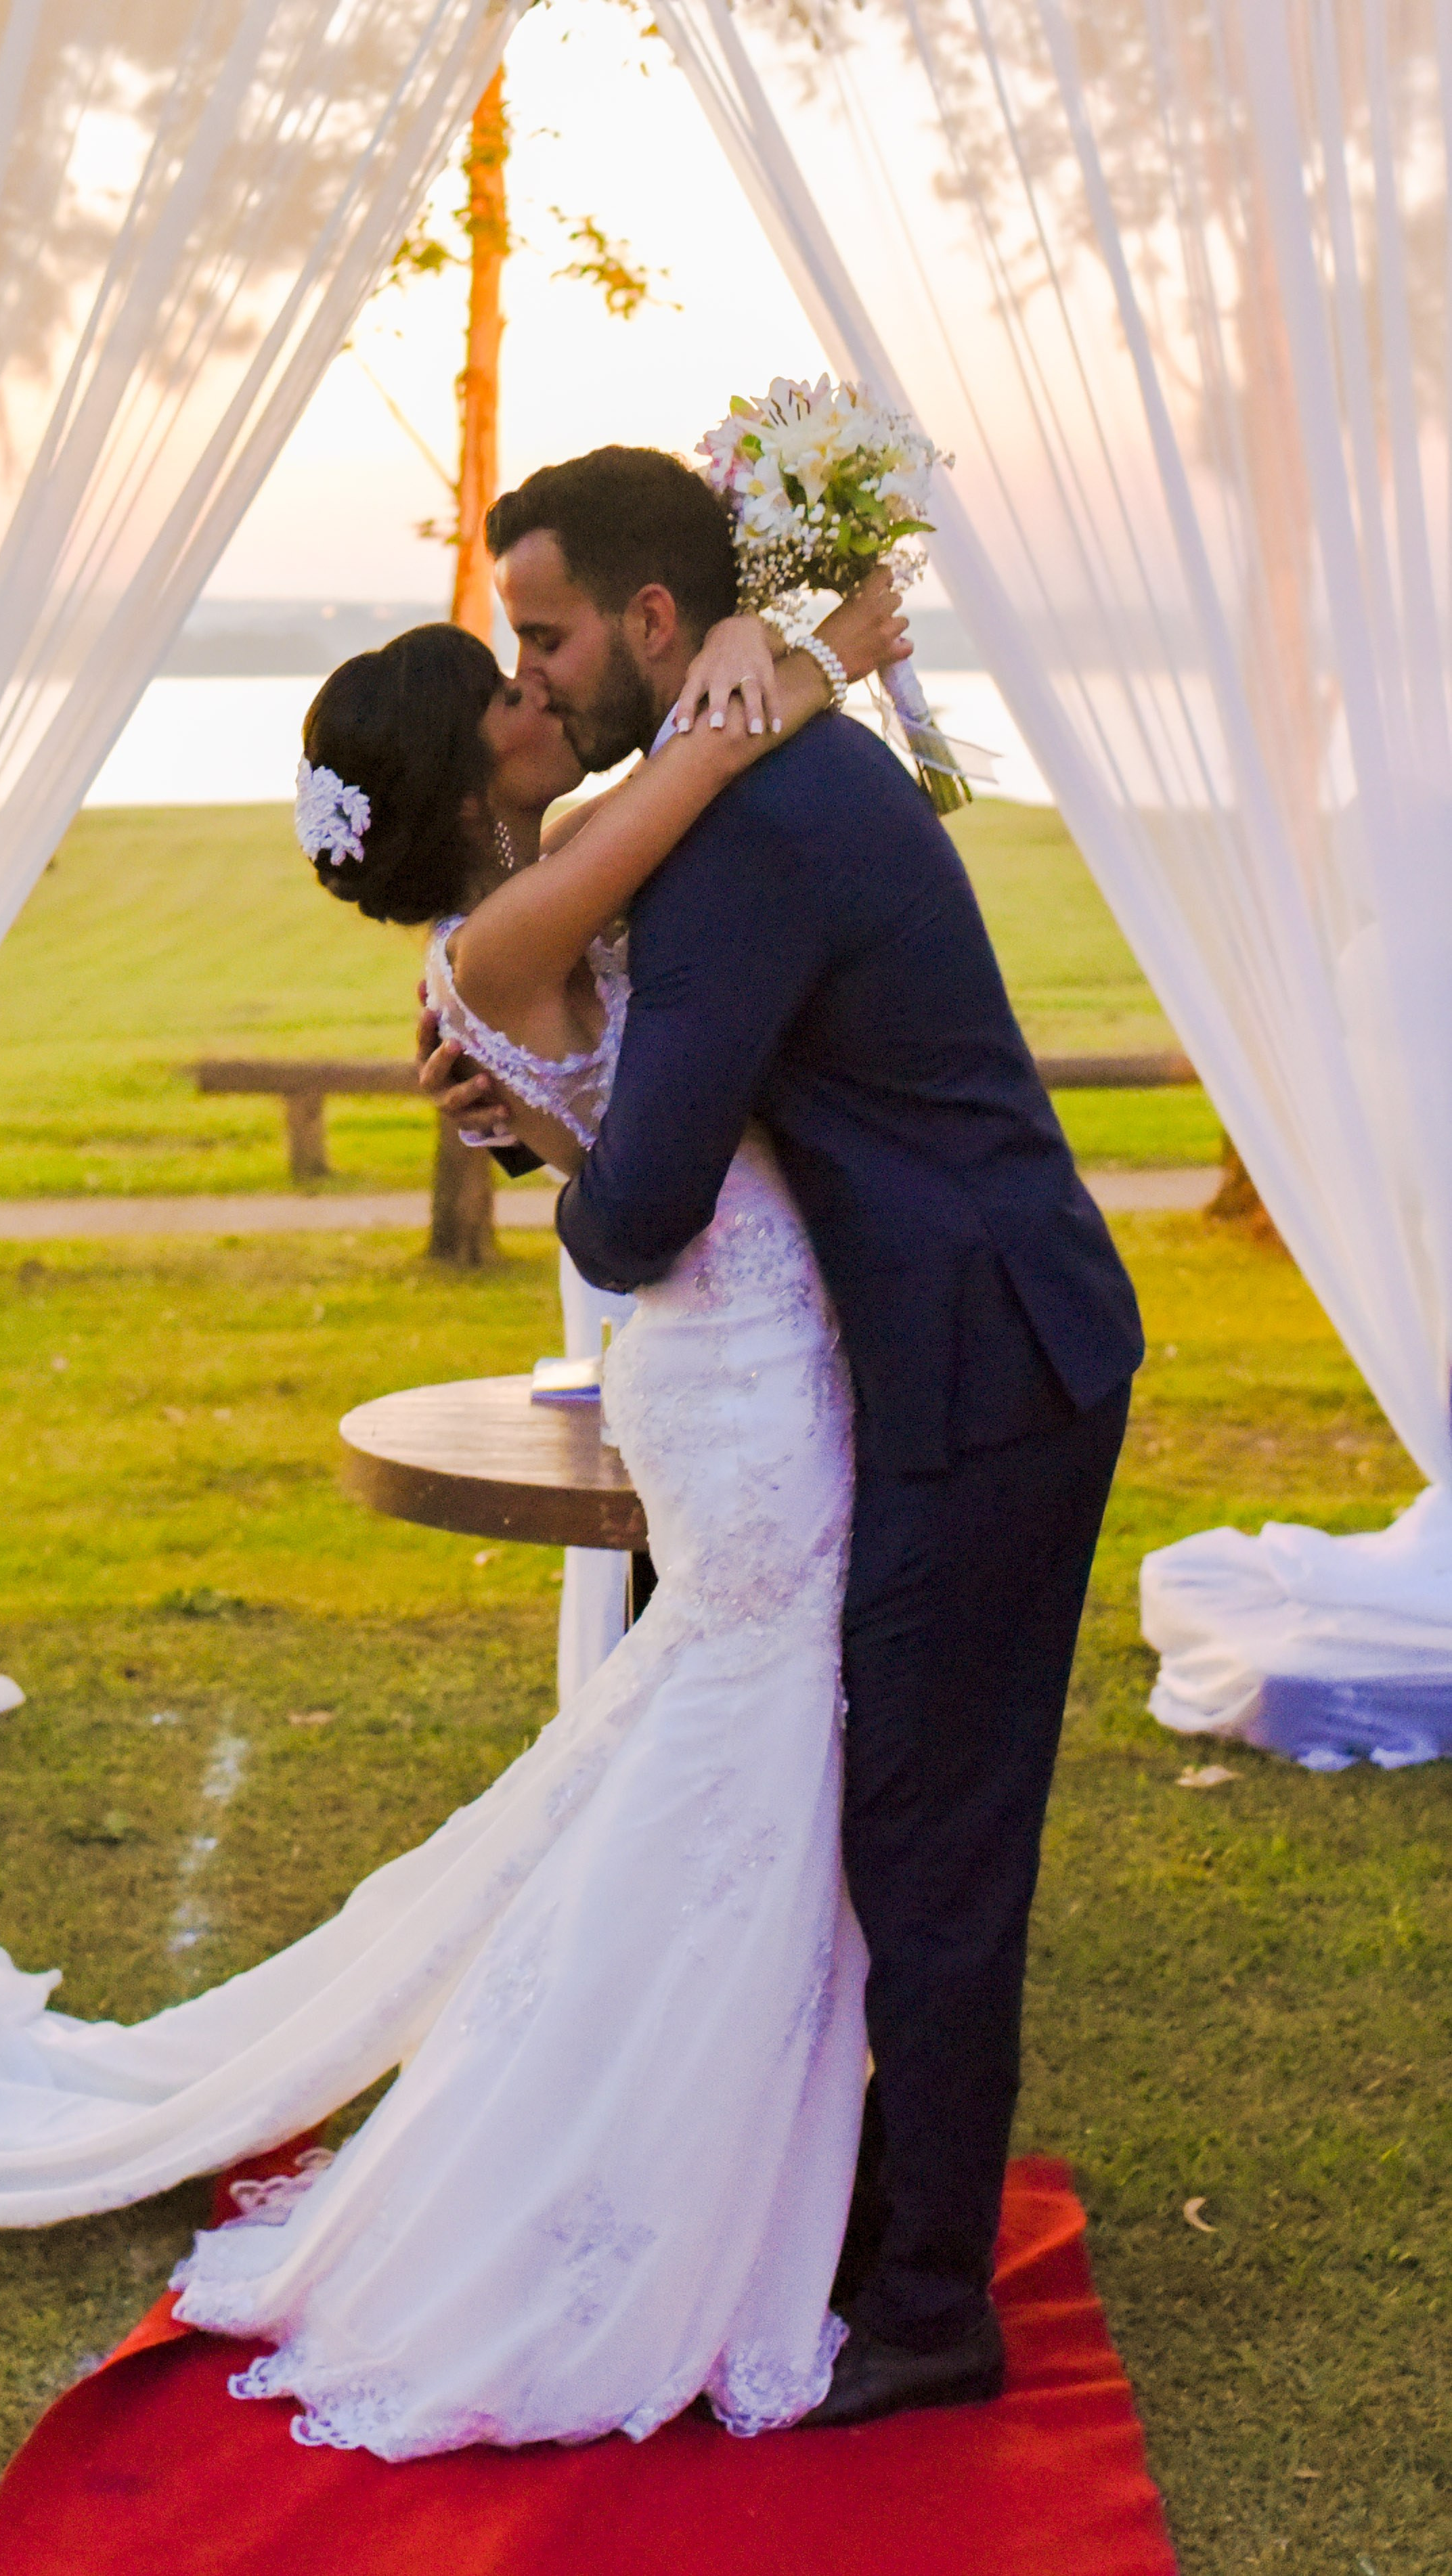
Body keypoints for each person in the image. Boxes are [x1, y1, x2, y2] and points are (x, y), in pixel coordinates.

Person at [0, 567, 917, 2458]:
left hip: (742, 1344)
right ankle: (625, 2189)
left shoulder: (538, 893)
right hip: (735, 1371)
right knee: (743, 1735)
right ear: (478, 768)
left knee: (730, 1740)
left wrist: (818, 659)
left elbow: (685, 844)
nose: (548, 693)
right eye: (515, 687)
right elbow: (706, 765)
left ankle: (711, 2138)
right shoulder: (513, 923)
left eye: (540, 662)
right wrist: (809, 660)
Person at [431, 443, 1145, 2429]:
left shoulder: (750, 828)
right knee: (889, 1819)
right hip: (931, 1345)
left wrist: (534, 1144)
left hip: (980, 1366)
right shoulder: (745, 775)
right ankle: (858, 2219)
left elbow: (646, 1205)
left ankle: (924, 2310)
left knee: (930, 1839)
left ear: (659, 625)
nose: (541, 674)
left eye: (553, 634)